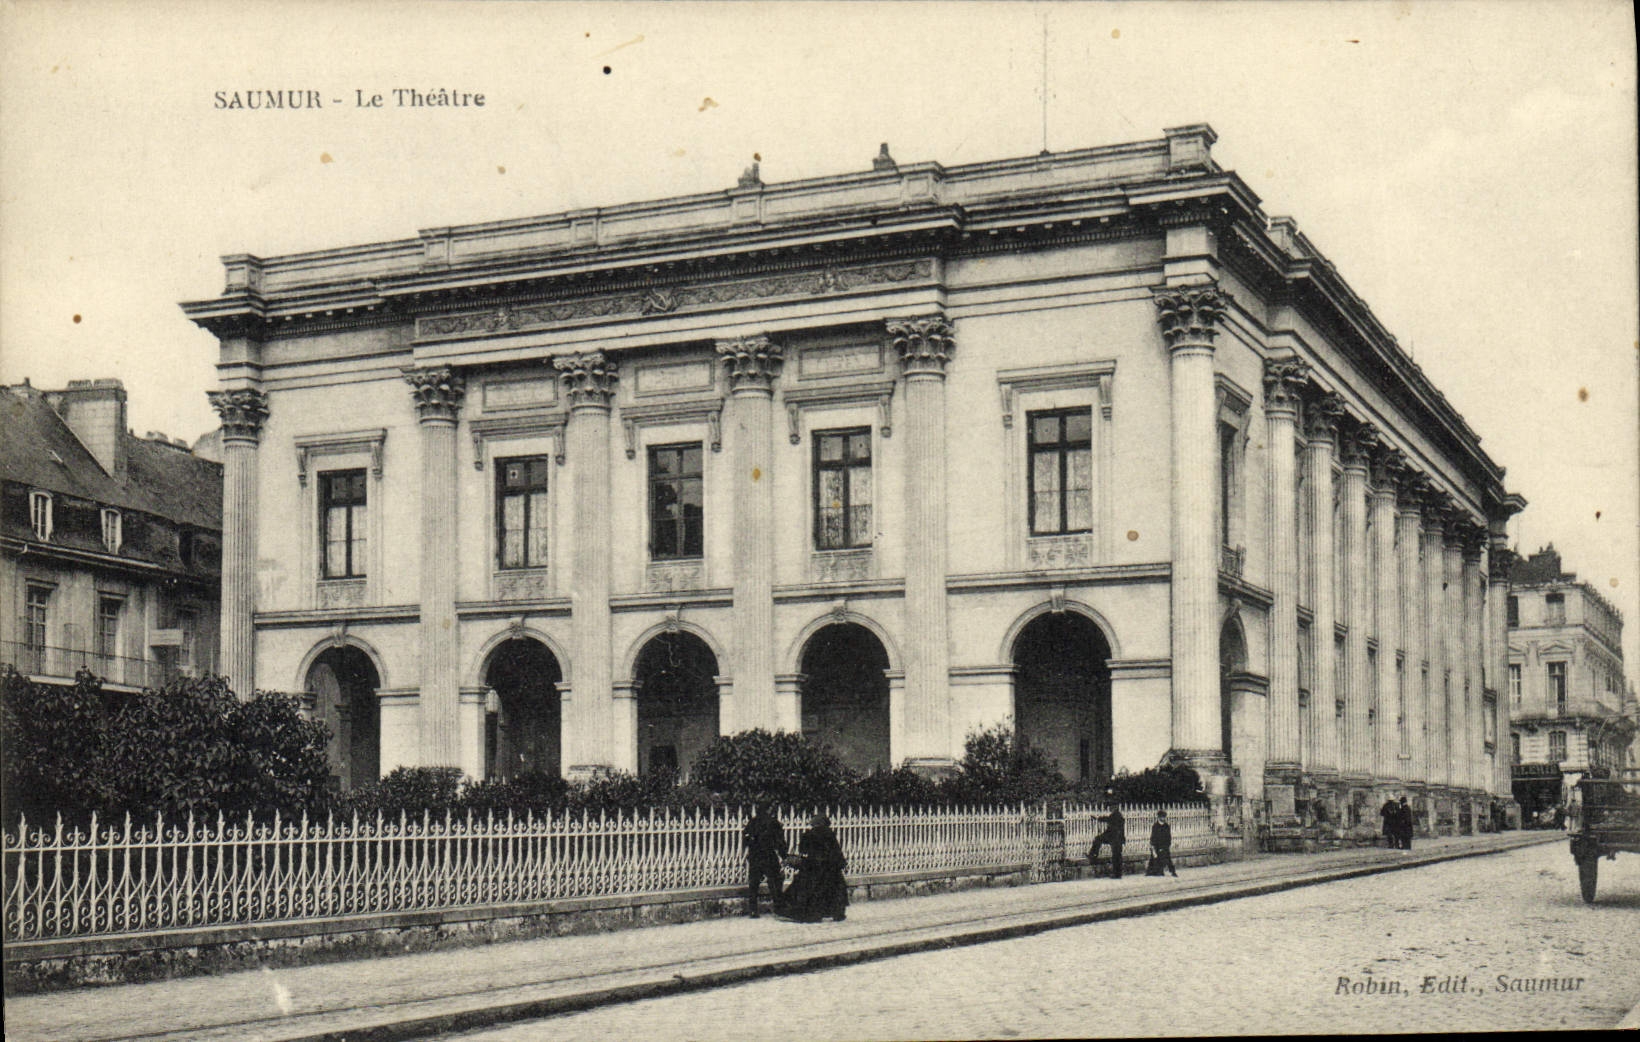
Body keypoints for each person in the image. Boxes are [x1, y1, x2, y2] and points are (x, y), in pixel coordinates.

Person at [781, 813, 849, 922]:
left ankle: (812, 914)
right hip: (830, 867)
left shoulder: (810, 834)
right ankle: (837, 913)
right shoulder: (829, 834)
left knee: (810, 890)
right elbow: (836, 850)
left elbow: (803, 849)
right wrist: (842, 863)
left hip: (814, 865)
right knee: (835, 890)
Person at [742, 801, 788, 918]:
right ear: (768, 809)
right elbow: (779, 841)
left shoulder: (752, 822)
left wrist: (751, 848)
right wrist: (784, 855)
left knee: (754, 883)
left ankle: (753, 910)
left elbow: (745, 839)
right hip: (768, 855)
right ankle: (778, 908)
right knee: (774, 882)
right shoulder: (773, 822)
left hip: (755, 855)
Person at [1088, 802, 1126, 879]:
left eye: (1111, 807)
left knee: (1116, 856)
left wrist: (1097, 818)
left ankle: (1117, 874)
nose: (1110, 808)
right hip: (1114, 837)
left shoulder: (1116, 815)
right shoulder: (1117, 815)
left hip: (1114, 838)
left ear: (1115, 807)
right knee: (1116, 855)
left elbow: (1107, 819)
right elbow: (1107, 819)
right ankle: (1093, 854)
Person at [1148, 810, 1178, 877]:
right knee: (1156, 858)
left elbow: (1169, 836)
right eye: (1162, 817)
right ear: (1159, 817)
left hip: (1165, 845)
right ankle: (1157, 871)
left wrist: (1168, 844)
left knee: (1168, 859)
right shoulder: (1155, 826)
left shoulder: (1166, 826)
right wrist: (1153, 845)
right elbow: (1153, 836)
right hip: (1157, 845)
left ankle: (1172, 871)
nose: (1163, 818)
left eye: (1164, 817)